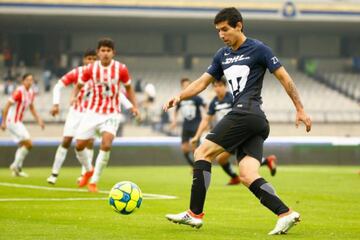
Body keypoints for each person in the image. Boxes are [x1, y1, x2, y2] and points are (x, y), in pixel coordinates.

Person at [164, 7, 312, 235]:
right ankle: (285, 213)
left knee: (202, 153)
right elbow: (202, 82)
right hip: (255, 120)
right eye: (218, 31)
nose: (222, 35)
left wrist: (300, 109)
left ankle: (194, 213)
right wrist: (179, 96)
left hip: (246, 112)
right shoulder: (222, 55)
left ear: (239, 25)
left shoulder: (259, 49)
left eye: (225, 29)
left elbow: (284, 77)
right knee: (247, 174)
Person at [73, 38, 139, 193]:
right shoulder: (91, 69)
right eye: (102, 50)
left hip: (111, 113)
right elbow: (79, 84)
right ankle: (88, 170)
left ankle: (94, 181)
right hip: (92, 112)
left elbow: (129, 89)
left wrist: (134, 106)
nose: (105, 53)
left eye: (108, 50)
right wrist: (74, 96)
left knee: (106, 144)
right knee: (79, 146)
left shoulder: (121, 69)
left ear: (113, 53)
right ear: (98, 52)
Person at [190, 78, 277, 186]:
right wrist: (197, 136)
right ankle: (265, 162)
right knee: (223, 159)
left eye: (220, 86)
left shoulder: (232, 98)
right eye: (215, 86)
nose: (217, 88)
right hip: (228, 133)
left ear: (225, 86)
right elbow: (206, 119)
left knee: (238, 162)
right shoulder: (214, 102)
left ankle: (240, 176)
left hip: (238, 130)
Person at [47, 49, 97, 185]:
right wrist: (56, 104)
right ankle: (54, 174)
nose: (91, 61)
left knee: (89, 143)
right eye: (89, 59)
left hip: (92, 114)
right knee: (66, 141)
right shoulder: (77, 72)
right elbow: (58, 86)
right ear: (84, 60)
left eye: (94, 59)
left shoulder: (101, 74)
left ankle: (84, 174)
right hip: (75, 113)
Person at [1, 73, 45, 177]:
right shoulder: (19, 92)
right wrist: (3, 122)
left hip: (18, 122)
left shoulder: (31, 92)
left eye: (31, 80)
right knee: (29, 143)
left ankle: (17, 171)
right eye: (28, 80)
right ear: (23, 81)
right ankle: (15, 165)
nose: (30, 82)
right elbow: (6, 106)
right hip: (12, 121)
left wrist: (39, 120)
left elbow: (32, 107)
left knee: (23, 145)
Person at [170, 78, 206, 167]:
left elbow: (205, 106)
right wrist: (174, 121)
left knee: (195, 149)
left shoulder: (196, 97)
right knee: (184, 149)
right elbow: (176, 110)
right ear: (182, 87)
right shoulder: (180, 98)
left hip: (196, 125)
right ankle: (194, 166)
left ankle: (198, 166)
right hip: (186, 125)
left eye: (188, 85)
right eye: (184, 85)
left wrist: (207, 118)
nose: (186, 87)